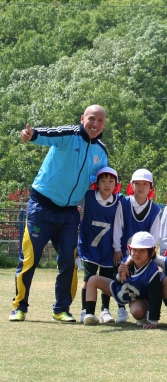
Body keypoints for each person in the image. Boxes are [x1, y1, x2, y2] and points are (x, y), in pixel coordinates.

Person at [11, 105, 108, 322]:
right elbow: (46, 134)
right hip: (41, 206)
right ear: (82, 118)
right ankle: (19, 307)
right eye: (91, 119)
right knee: (29, 259)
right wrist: (31, 135)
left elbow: (100, 183)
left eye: (100, 121)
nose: (95, 124)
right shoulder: (69, 134)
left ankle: (61, 309)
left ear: (104, 124)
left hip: (69, 213)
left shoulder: (101, 152)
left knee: (68, 261)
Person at [83, 232, 163, 329]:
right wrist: (119, 275)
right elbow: (117, 282)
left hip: (137, 298)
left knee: (138, 312)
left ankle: (143, 317)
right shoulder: (127, 261)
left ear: (151, 252)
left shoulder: (152, 270)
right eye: (134, 250)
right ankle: (89, 314)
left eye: (142, 251)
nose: (137, 254)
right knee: (92, 279)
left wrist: (153, 321)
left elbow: (155, 297)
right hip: (121, 291)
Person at [112, 168, 161, 322]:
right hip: (124, 252)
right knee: (120, 277)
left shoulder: (155, 210)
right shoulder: (123, 203)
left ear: (151, 188)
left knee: (143, 281)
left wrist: (135, 258)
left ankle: (145, 307)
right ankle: (121, 309)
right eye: (137, 183)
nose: (141, 187)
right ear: (131, 185)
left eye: (145, 184)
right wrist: (117, 249)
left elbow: (154, 238)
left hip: (142, 257)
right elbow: (117, 226)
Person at [78, 166, 122, 324]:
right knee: (88, 278)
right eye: (103, 180)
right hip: (90, 246)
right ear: (96, 183)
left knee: (106, 279)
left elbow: (119, 225)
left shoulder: (119, 201)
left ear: (116, 184)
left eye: (111, 181)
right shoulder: (88, 197)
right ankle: (85, 310)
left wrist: (117, 248)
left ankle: (105, 310)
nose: (107, 184)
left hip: (108, 248)